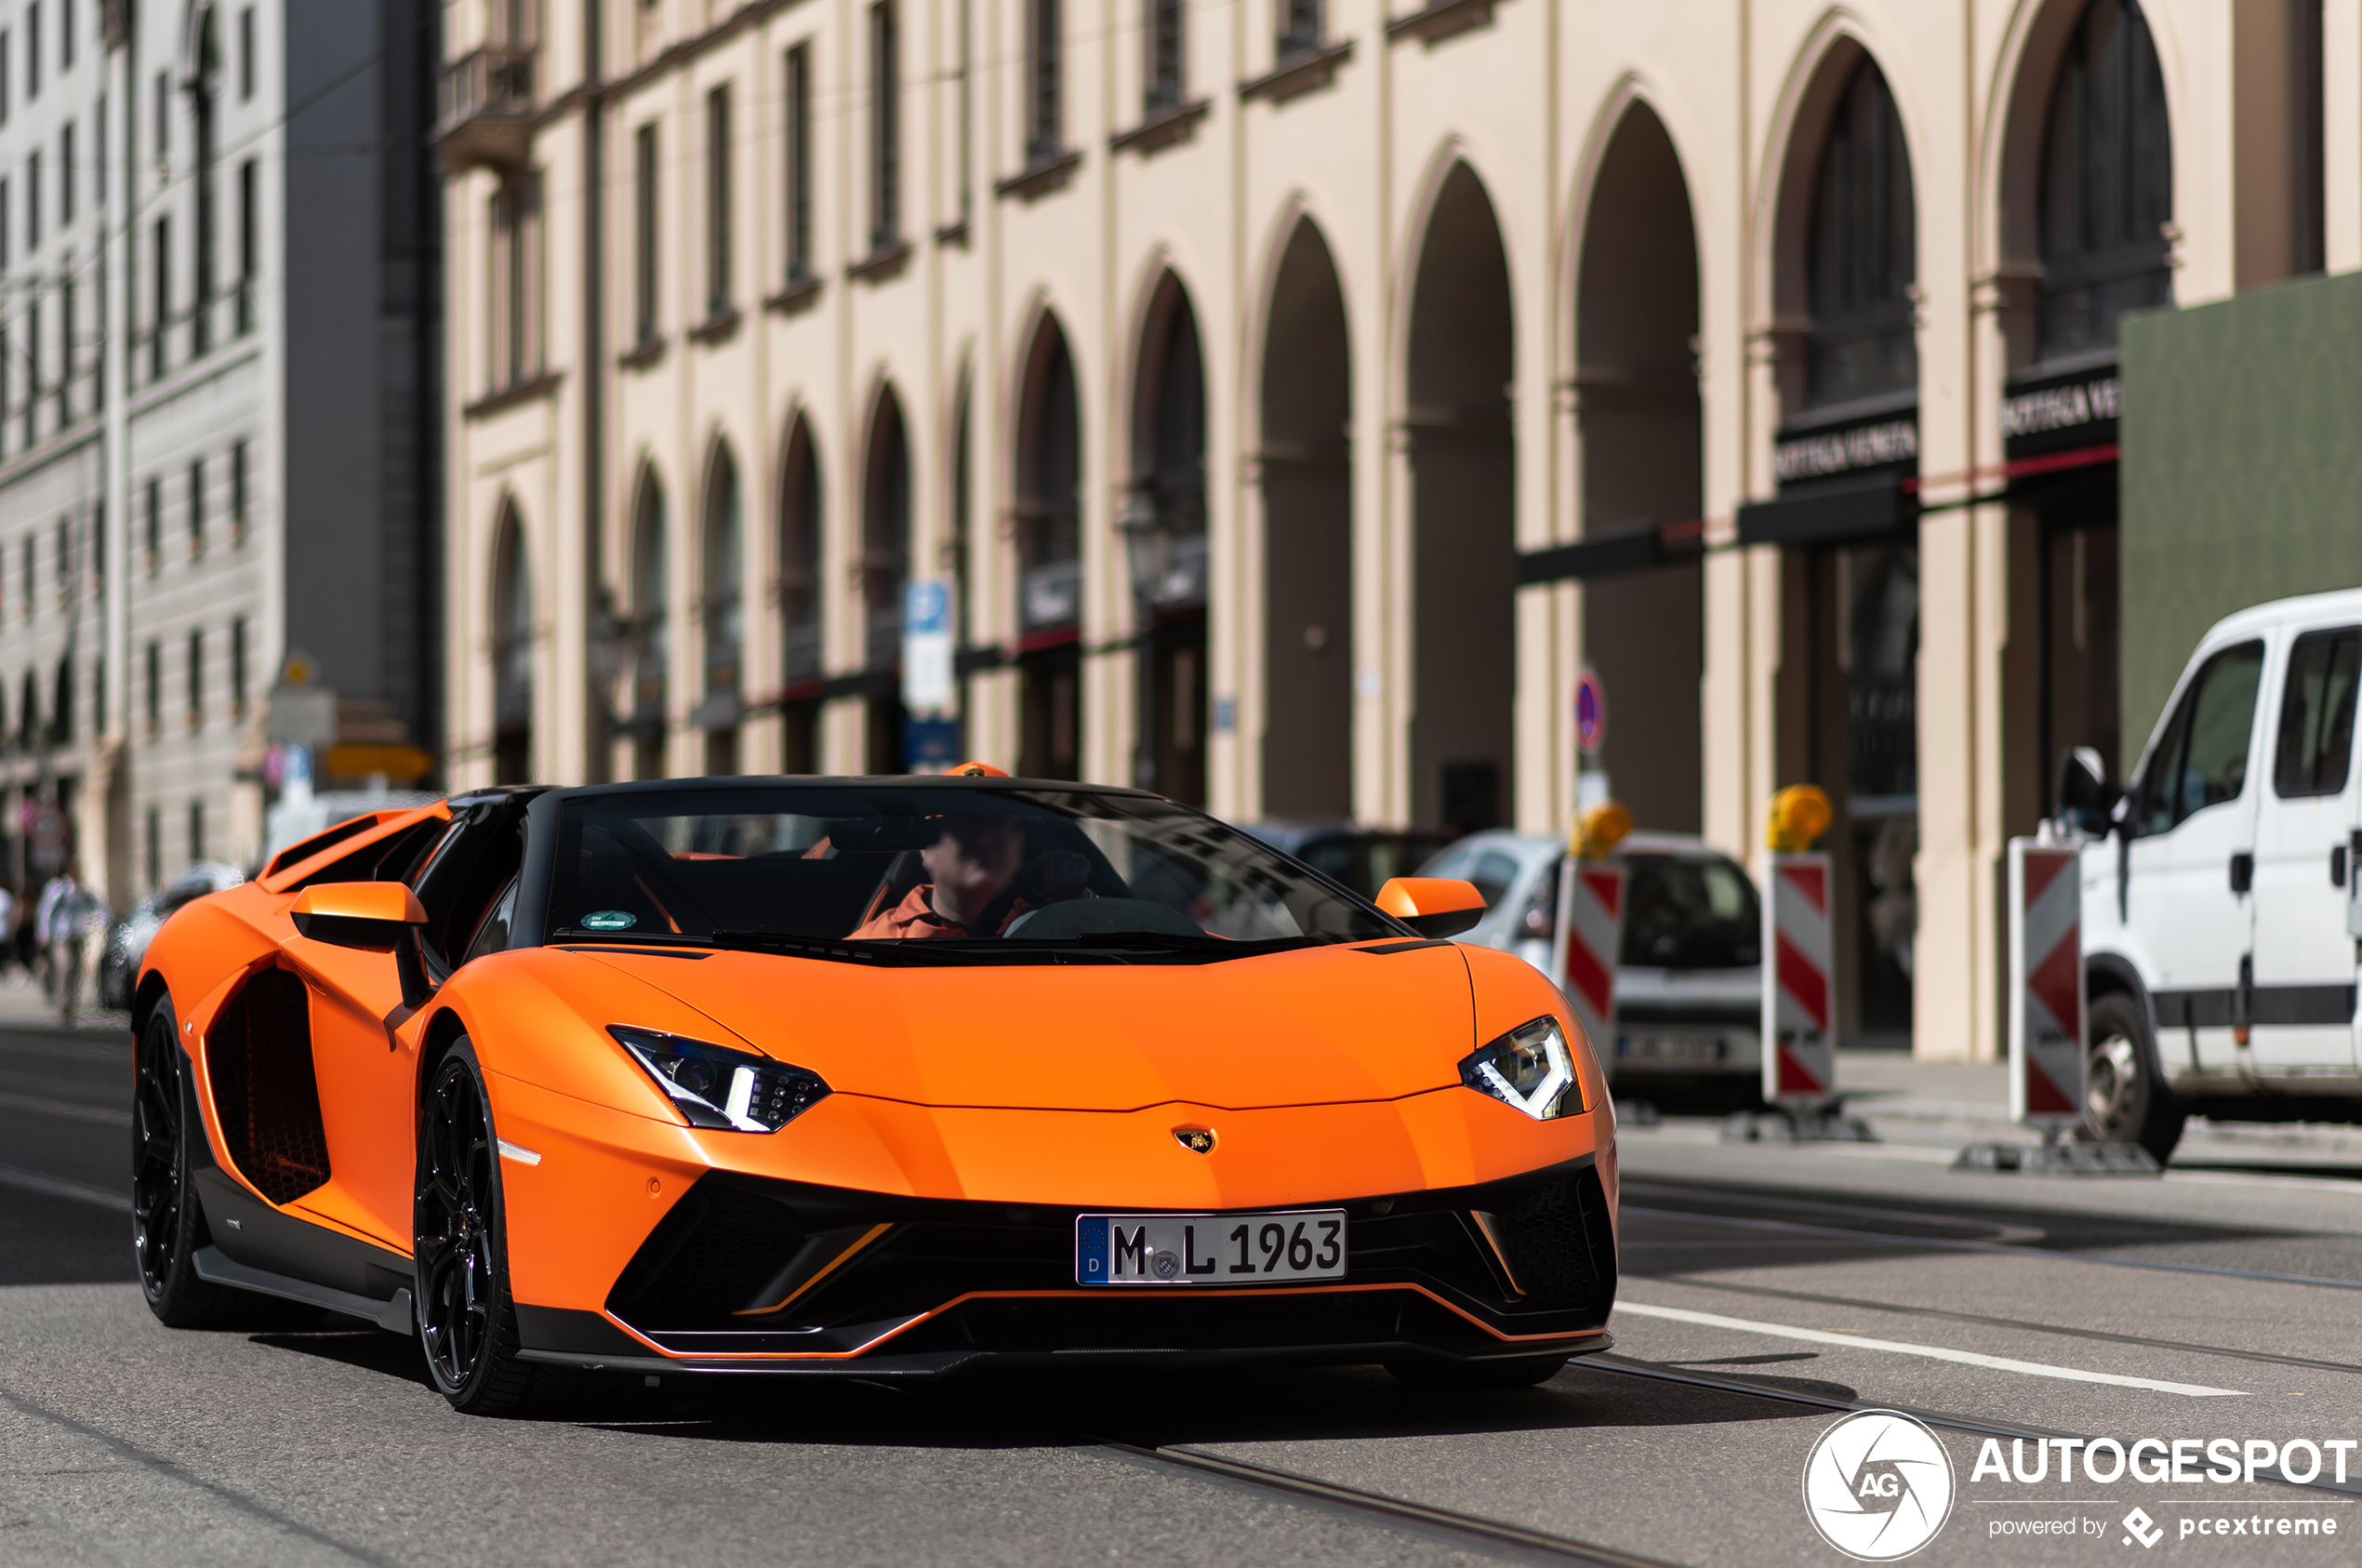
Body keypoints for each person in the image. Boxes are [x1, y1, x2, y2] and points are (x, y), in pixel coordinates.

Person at [849, 814, 1086, 939]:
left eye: (997, 826)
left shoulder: (1058, 921)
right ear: (925, 850)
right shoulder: (875, 943)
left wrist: (1076, 899)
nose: (984, 841)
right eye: (962, 827)